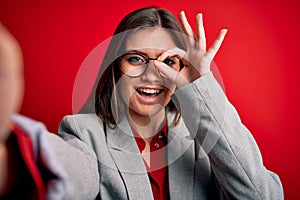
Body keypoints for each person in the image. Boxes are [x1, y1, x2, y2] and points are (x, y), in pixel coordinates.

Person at [0, 6, 283, 200]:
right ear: (116, 67)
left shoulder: (205, 140)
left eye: (168, 61)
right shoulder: (85, 133)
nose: (151, 73)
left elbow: (260, 195)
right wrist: (10, 159)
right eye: (136, 59)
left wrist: (200, 86)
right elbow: (72, 172)